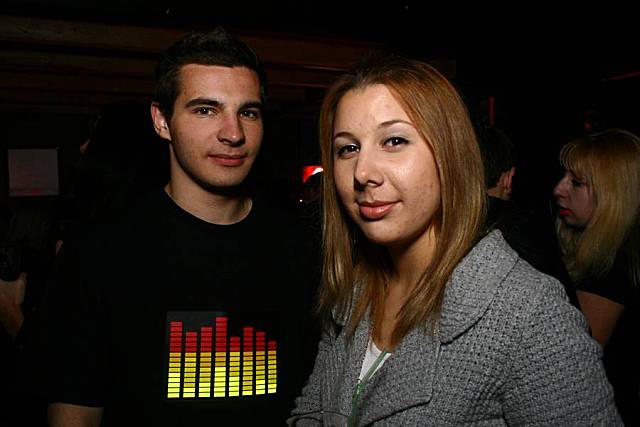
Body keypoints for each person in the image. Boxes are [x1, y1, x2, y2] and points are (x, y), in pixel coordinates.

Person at [290, 54, 620, 425]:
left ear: (450, 154)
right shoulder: (354, 289)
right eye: (348, 148)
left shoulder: (528, 312)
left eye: (394, 140)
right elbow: (314, 410)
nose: (363, 172)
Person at [37, 27, 317, 426]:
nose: (233, 133)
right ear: (162, 121)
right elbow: (74, 413)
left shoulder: (302, 247)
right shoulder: (101, 251)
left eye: (248, 112)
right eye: (205, 110)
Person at [553, 128, 640, 425]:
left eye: (576, 182)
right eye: (564, 176)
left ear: (613, 194)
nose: (559, 189)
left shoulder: (612, 268)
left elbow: (571, 367)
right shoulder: (604, 254)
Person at [478, 126, 579, 307]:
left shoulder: (438, 229)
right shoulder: (526, 233)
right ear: (508, 179)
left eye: (577, 182)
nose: (559, 190)